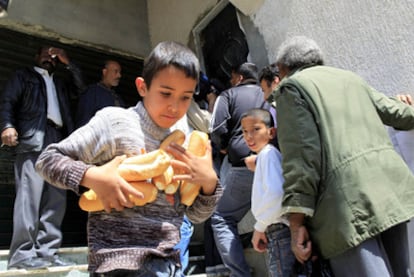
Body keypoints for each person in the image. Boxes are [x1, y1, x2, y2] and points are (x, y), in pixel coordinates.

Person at [35, 41, 222, 276]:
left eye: (185, 97)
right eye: (165, 93)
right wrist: (93, 177)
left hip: (167, 262)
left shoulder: (183, 143)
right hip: (118, 262)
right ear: (142, 87)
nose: (175, 107)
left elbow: (193, 214)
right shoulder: (115, 123)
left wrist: (208, 184)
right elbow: (47, 160)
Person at [274, 35, 414, 277]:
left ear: (283, 68)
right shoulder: (349, 78)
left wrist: (296, 221)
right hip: (389, 191)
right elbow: (398, 114)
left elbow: (302, 158)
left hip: (345, 206)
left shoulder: (291, 88)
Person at [0, 46, 83, 269]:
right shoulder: (23, 76)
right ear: (36, 56)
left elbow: (80, 89)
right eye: (45, 53)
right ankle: (21, 255)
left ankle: (47, 252)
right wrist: (7, 125)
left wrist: (69, 63)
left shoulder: (60, 83)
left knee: (56, 199)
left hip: (58, 140)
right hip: (33, 137)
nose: (49, 57)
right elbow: (8, 101)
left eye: (53, 55)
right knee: (29, 197)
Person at [210, 62, 269, 277]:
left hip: (245, 167)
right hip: (274, 162)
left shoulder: (228, 95)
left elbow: (216, 128)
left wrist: (224, 147)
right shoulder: (267, 93)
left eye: (232, 77)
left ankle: (240, 274)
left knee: (221, 217)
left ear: (239, 78)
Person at [240, 108, 295, 277]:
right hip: (275, 230)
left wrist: (259, 227)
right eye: (244, 131)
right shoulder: (266, 155)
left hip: (278, 230)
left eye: (255, 129)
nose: (249, 136)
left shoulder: (268, 155)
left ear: (271, 132)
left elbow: (276, 194)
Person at [76, 60, 125, 128]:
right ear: (105, 72)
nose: (119, 75)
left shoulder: (118, 98)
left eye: (119, 72)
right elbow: (85, 120)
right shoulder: (92, 92)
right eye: (116, 71)